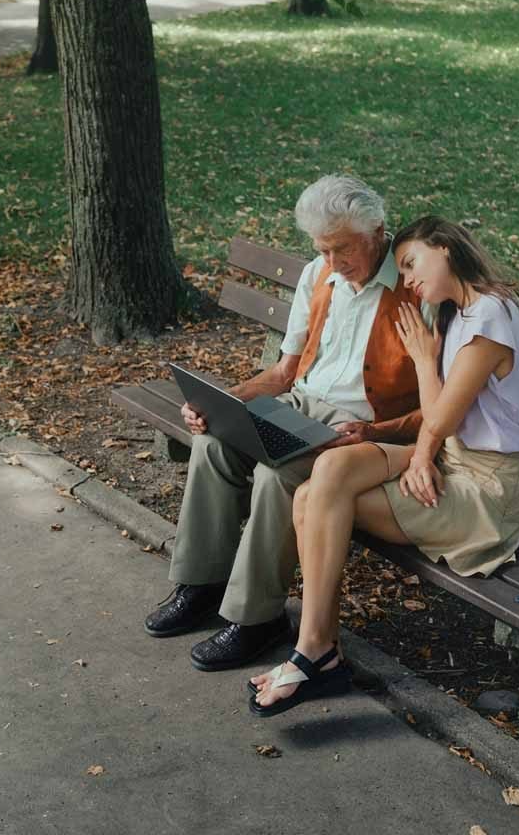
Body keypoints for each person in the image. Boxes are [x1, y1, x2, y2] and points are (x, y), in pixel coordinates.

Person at [250, 215, 519, 716]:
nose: (406, 279)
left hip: (486, 492)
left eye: (411, 264)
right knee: (330, 473)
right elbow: (440, 424)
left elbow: (440, 419)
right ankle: (318, 649)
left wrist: (421, 364)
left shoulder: (493, 317)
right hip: (453, 461)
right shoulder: (461, 312)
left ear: (446, 249)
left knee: (311, 497)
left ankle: (314, 653)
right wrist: (416, 443)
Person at [144, 176, 428, 672]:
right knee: (213, 442)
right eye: (323, 250)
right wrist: (224, 402)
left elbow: (440, 405)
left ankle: (257, 619)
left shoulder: (416, 288)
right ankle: (202, 584)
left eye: (343, 249)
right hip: (300, 403)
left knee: (278, 476)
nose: (334, 263)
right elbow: (284, 372)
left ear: (378, 231)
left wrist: (378, 432)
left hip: (361, 429)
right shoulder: (319, 275)